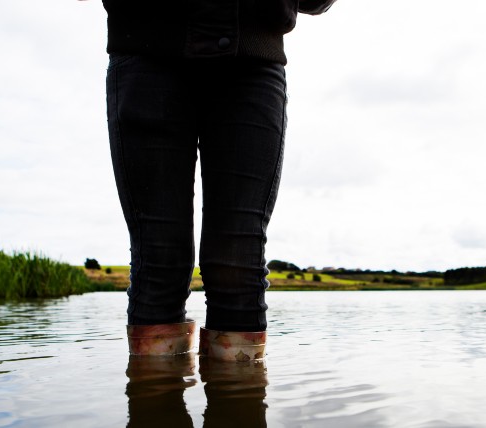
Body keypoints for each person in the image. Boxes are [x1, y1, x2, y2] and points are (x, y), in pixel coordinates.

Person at [102, 0, 336, 360]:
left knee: (238, 263)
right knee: (158, 259)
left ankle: (237, 403)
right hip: (145, 50)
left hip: (252, 62)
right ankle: (156, 403)